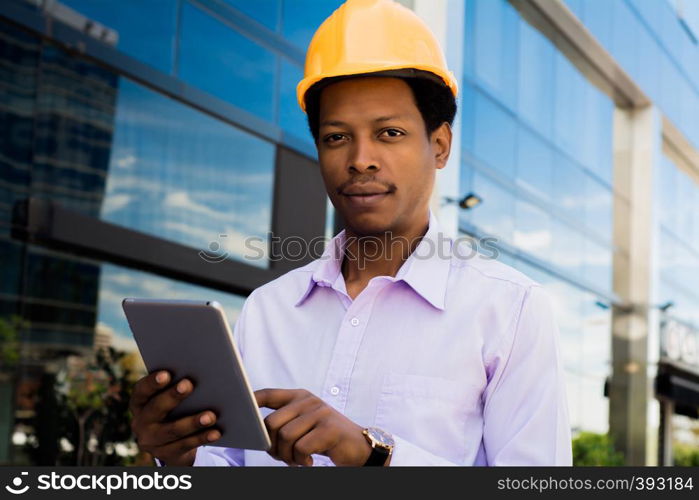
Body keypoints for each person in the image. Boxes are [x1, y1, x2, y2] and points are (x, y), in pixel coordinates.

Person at [129, 0, 572, 466]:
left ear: (439, 146)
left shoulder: (511, 310)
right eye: (336, 137)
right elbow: (234, 466)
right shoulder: (268, 310)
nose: (360, 159)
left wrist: (372, 455)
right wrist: (179, 457)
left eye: (389, 133)